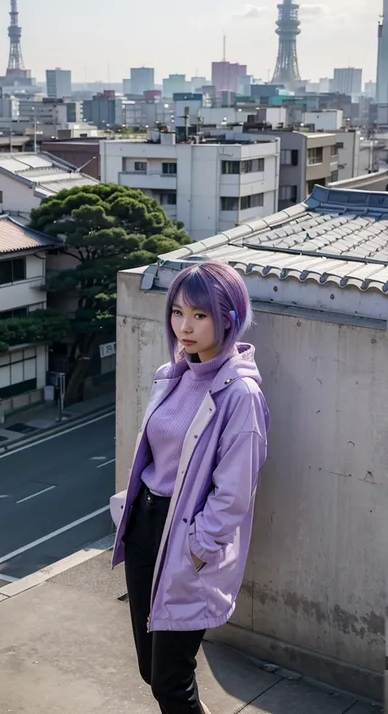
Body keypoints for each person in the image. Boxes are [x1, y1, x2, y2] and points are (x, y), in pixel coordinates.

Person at [111, 260, 270, 714]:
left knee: (171, 679)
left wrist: (200, 546)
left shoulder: (240, 395)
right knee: (152, 669)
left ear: (230, 318)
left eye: (200, 315)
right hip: (144, 526)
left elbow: (235, 490)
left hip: (186, 537)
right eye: (178, 312)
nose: (184, 325)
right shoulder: (174, 375)